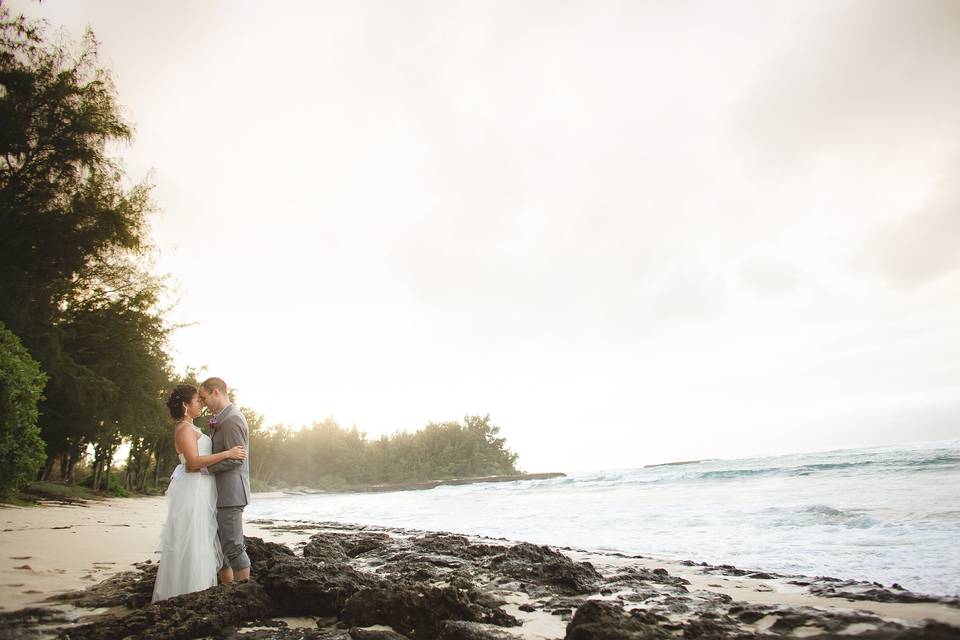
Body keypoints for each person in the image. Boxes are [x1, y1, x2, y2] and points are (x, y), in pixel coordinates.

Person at [152, 384, 247, 602]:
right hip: (193, 489)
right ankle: (189, 592)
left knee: (205, 538)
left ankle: (210, 591)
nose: (201, 404)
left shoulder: (191, 427)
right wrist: (228, 453)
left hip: (203, 488)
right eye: (197, 401)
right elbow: (193, 463)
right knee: (194, 538)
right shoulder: (184, 429)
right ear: (186, 405)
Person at [198, 377, 252, 584]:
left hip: (231, 493)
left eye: (203, 398)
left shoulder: (232, 419)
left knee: (233, 546)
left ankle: (245, 595)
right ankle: (228, 594)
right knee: (220, 548)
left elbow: (236, 460)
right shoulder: (221, 418)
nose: (202, 403)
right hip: (220, 492)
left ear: (216, 393)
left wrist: (203, 469)